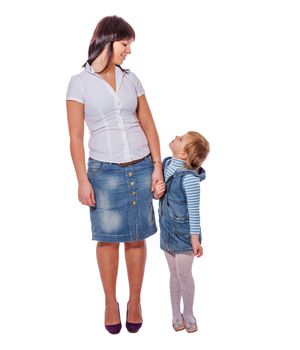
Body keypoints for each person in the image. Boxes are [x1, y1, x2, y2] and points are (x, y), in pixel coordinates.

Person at [66, 15, 163, 334]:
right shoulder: (78, 83)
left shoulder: (132, 79)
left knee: (136, 239)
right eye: (125, 44)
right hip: (103, 171)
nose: (129, 51)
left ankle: (135, 301)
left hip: (140, 165)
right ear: (107, 41)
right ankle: (111, 302)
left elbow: (148, 124)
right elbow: (76, 137)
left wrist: (157, 167)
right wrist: (82, 179)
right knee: (108, 241)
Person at [153, 131, 210, 333]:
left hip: (184, 236)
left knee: (184, 275)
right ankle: (175, 313)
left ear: (184, 154)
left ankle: (189, 313)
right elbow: (157, 192)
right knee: (173, 275)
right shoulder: (166, 165)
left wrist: (195, 240)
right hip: (167, 231)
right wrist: (156, 192)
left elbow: (194, 213)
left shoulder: (190, 180)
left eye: (181, 139)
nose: (176, 136)